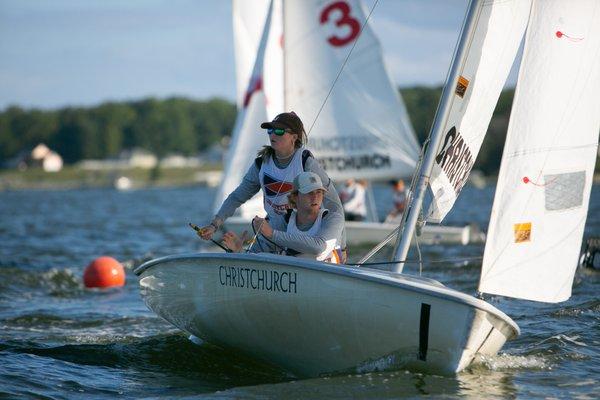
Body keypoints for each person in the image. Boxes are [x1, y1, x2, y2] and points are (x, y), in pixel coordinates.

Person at [198, 111, 346, 257]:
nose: (273, 134)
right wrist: (214, 225)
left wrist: (342, 247)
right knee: (245, 256)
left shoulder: (305, 162)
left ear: (294, 137)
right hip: (271, 230)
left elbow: (335, 207)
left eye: (279, 131)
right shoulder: (261, 163)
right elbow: (237, 197)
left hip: (300, 232)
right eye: (270, 130)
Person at [222, 172, 344, 263]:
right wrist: (239, 251)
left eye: (319, 192)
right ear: (295, 197)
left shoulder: (332, 219)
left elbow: (319, 247)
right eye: (309, 193)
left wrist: (272, 234)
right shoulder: (284, 221)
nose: (315, 197)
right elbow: (256, 257)